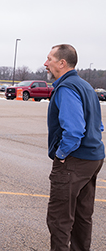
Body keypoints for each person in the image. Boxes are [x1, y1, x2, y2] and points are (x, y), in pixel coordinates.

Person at [44, 44, 104, 251]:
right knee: (82, 216)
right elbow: (98, 124)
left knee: (59, 218)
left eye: (49, 59)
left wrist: (61, 154)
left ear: (62, 63)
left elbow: (75, 130)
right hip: (93, 158)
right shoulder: (85, 86)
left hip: (74, 161)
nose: (46, 63)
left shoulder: (67, 88)